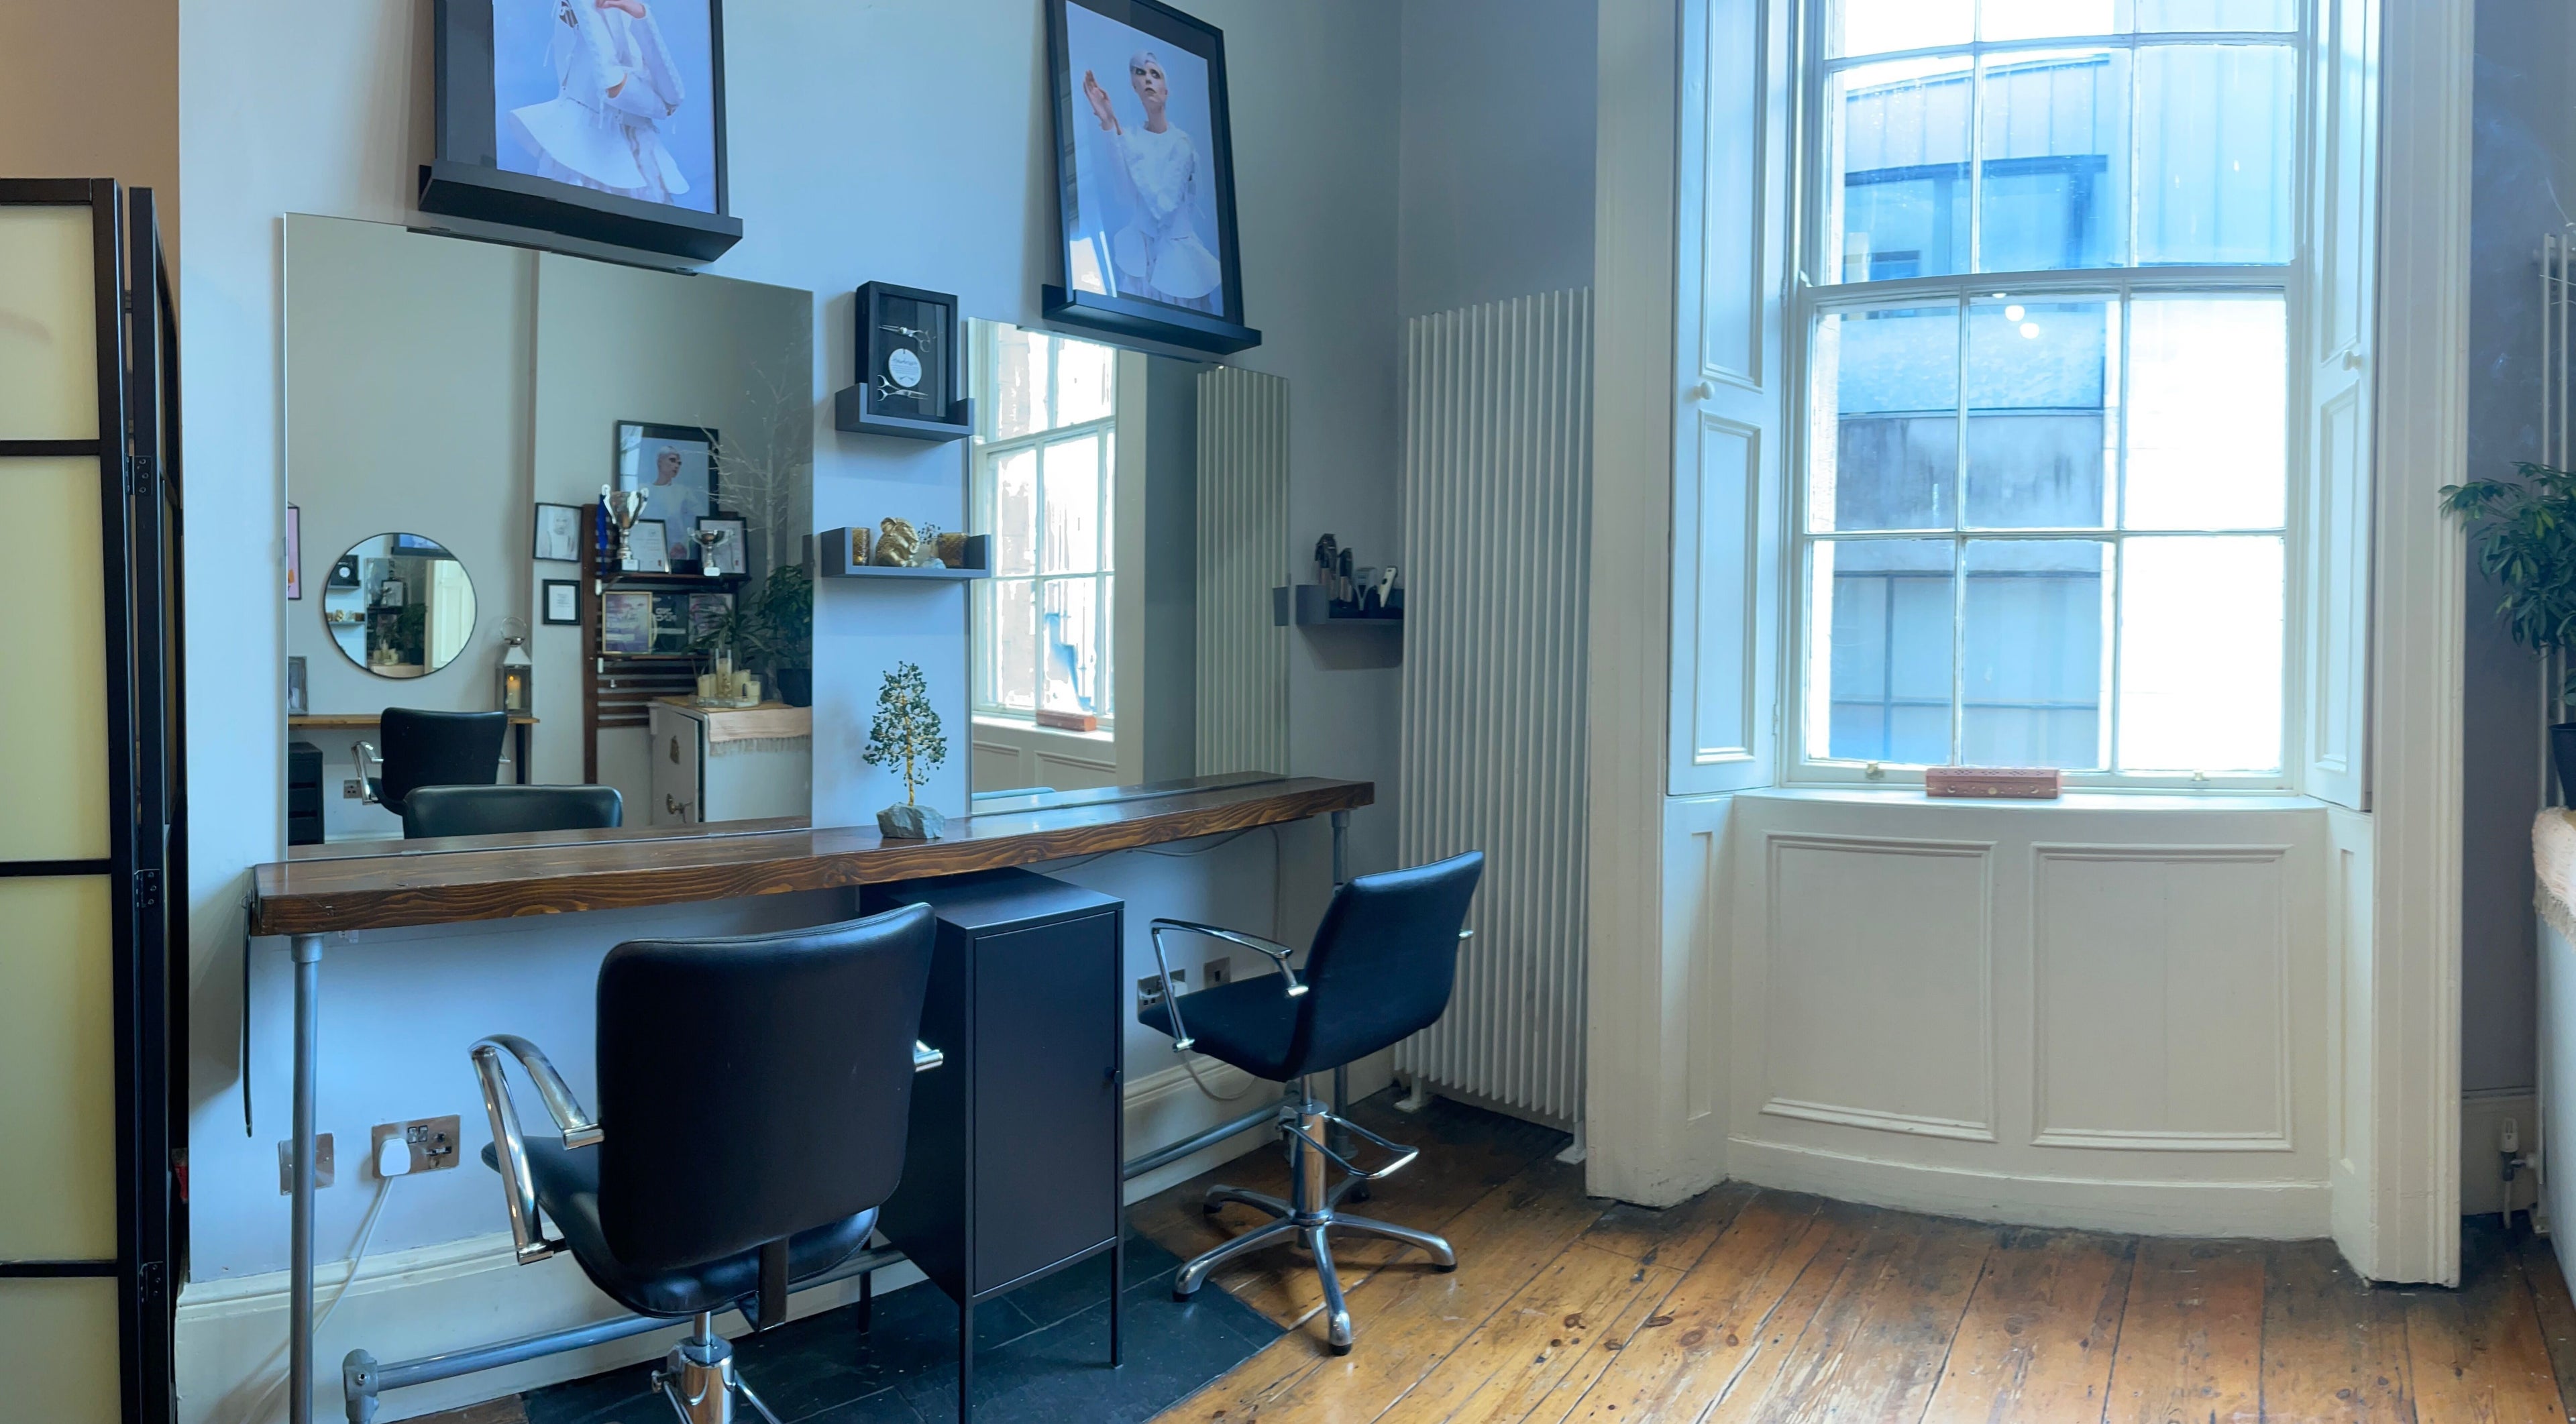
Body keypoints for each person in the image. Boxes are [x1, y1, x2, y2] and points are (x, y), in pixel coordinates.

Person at [507, 0, 691, 205]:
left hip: (641, 154)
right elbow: (613, 85)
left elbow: (675, 95)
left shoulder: (635, 8)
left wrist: (641, 15)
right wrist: (661, 108)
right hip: (589, 146)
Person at [1081, 50, 1223, 312]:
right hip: (1139, 264)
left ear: (1166, 90)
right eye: (1141, 74)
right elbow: (1125, 195)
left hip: (1179, 268)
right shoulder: (1131, 137)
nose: (1148, 79)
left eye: (1154, 74)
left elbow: (1164, 206)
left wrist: (1121, 135)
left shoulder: (1181, 144)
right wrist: (1109, 125)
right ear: (1134, 86)